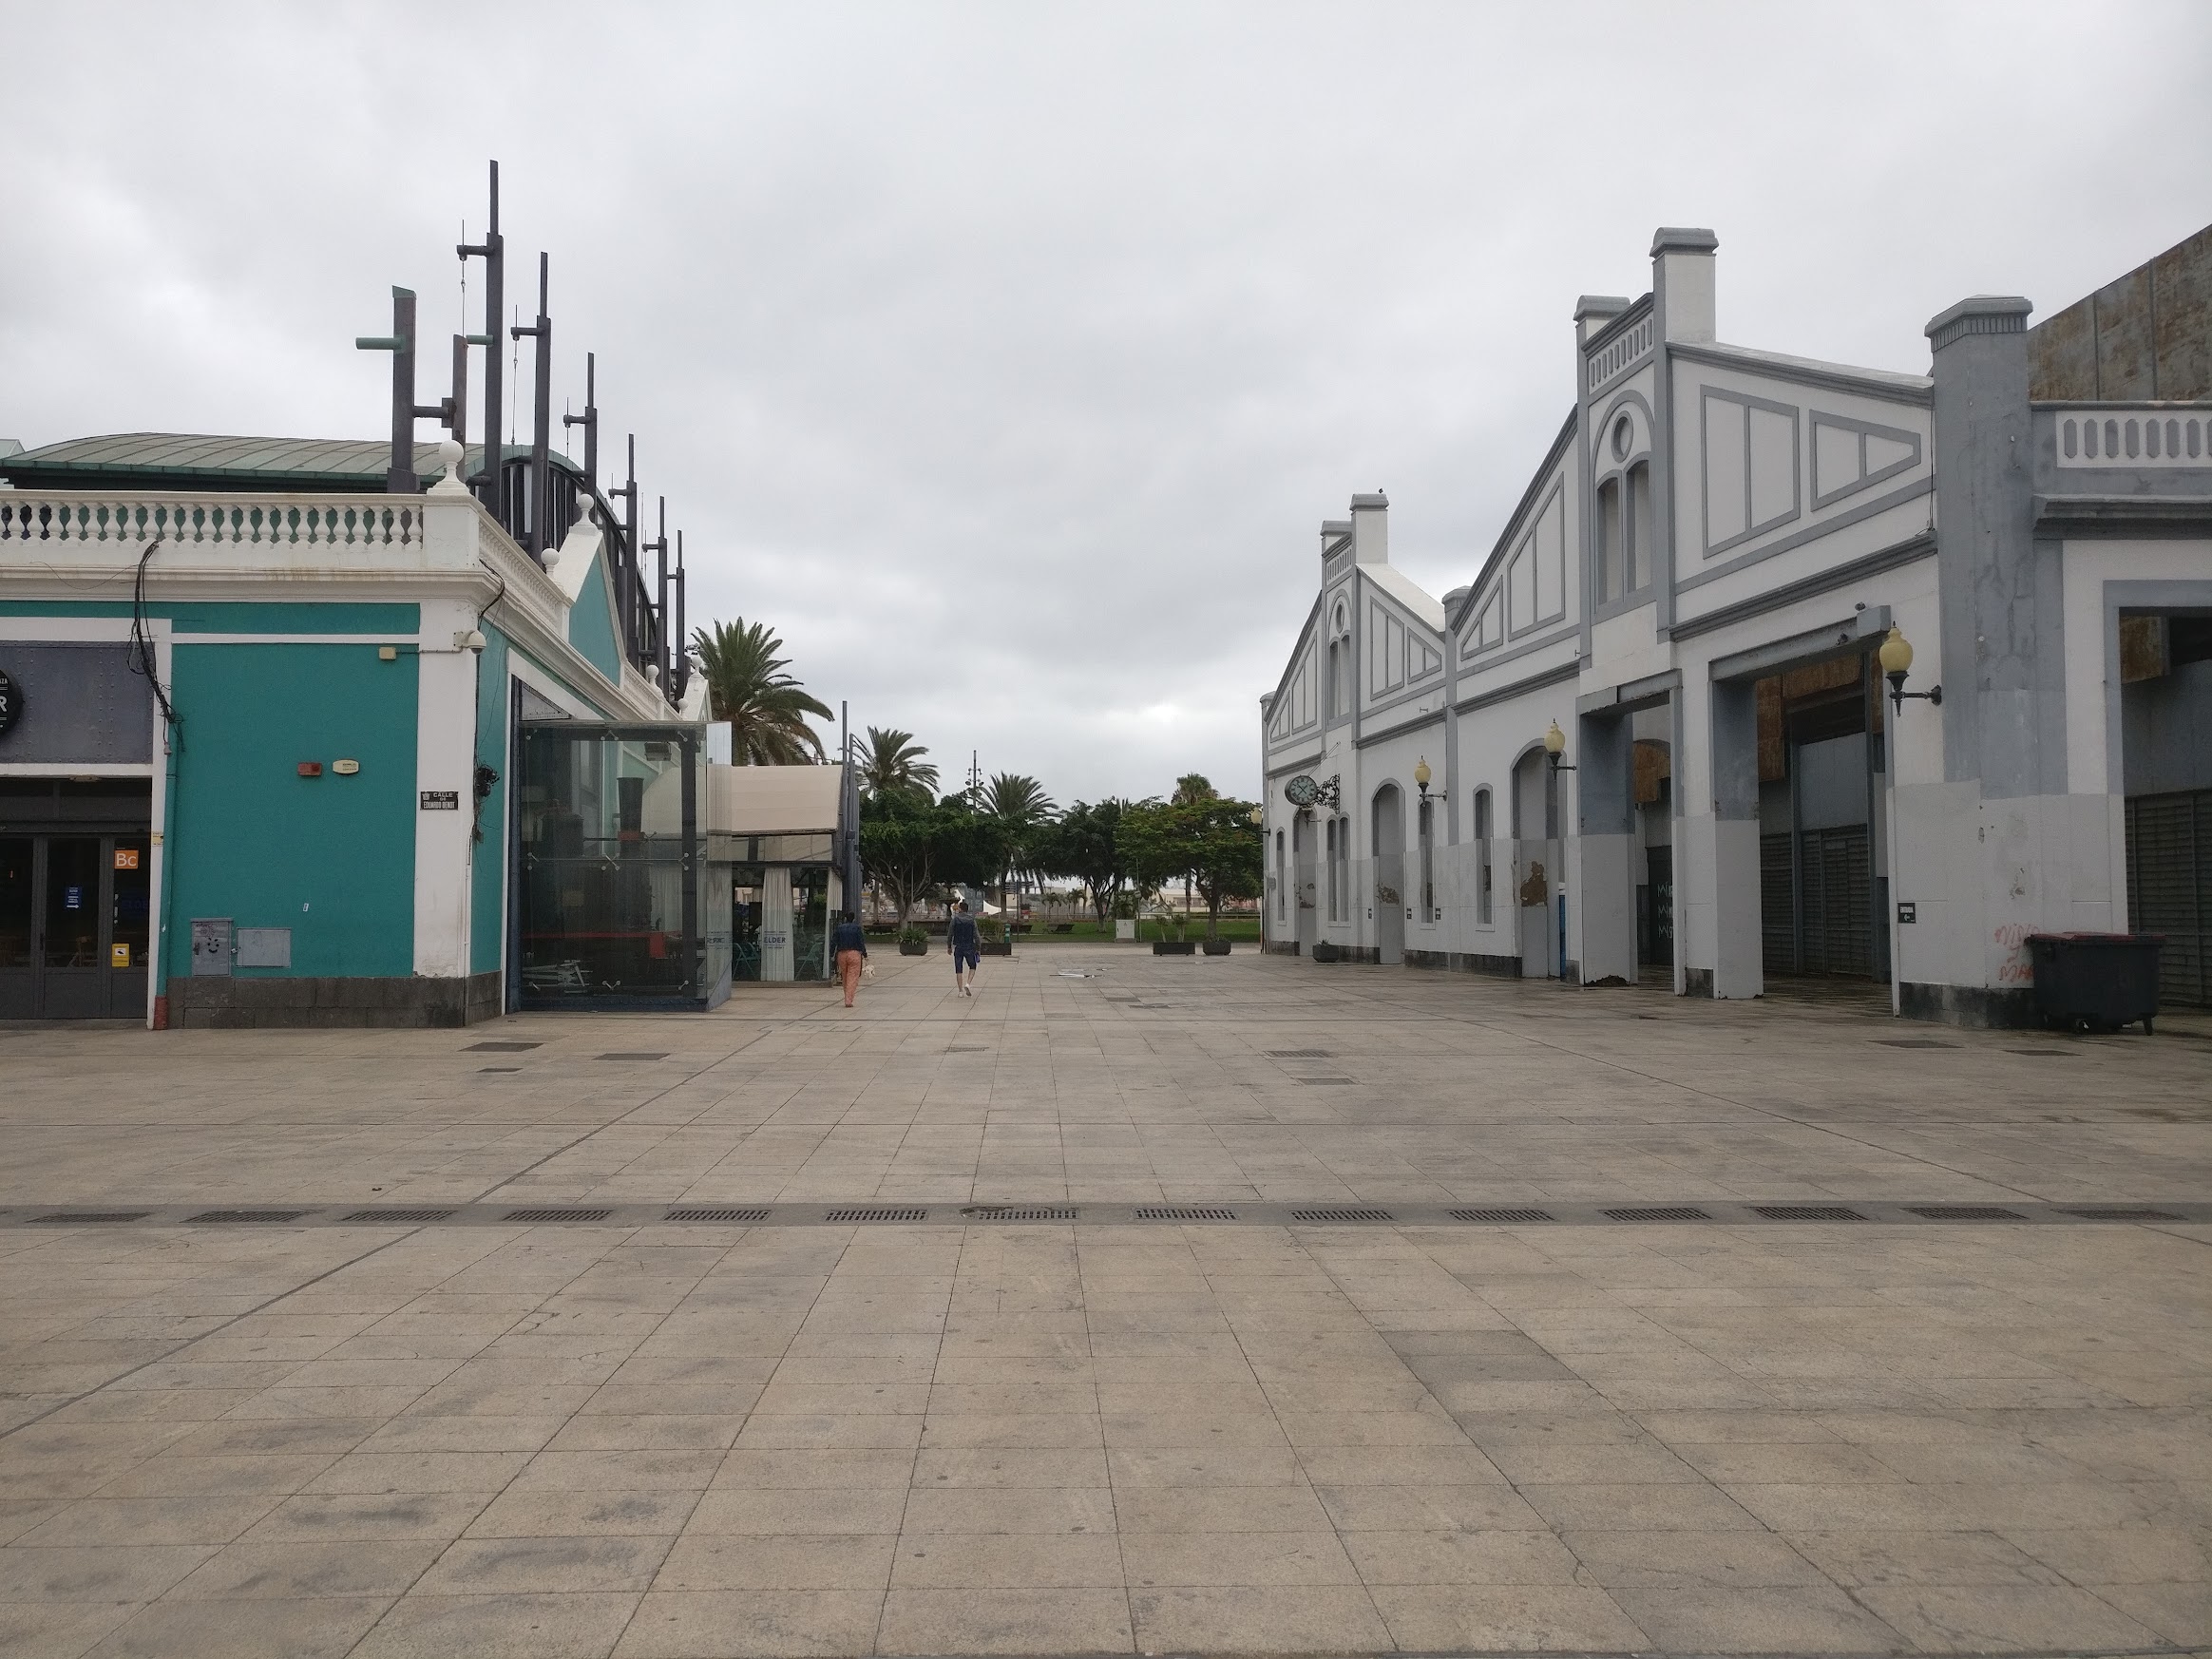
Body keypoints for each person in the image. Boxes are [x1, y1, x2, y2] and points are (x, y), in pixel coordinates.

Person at [830, 910, 868, 1007]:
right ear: (853, 918)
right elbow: (861, 942)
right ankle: (848, 999)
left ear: (846, 918)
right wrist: (864, 953)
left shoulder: (839, 928)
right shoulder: (857, 928)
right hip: (854, 954)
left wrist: (831, 954)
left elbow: (834, 942)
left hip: (842, 954)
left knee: (845, 976)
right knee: (853, 977)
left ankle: (846, 995)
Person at [947, 900, 981, 997]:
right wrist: (978, 948)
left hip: (958, 946)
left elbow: (950, 934)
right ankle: (968, 983)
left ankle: (960, 991)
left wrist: (949, 946)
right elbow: (976, 936)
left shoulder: (955, 920)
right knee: (973, 966)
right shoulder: (972, 920)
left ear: (960, 909)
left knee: (959, 968)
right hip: (969, 946)